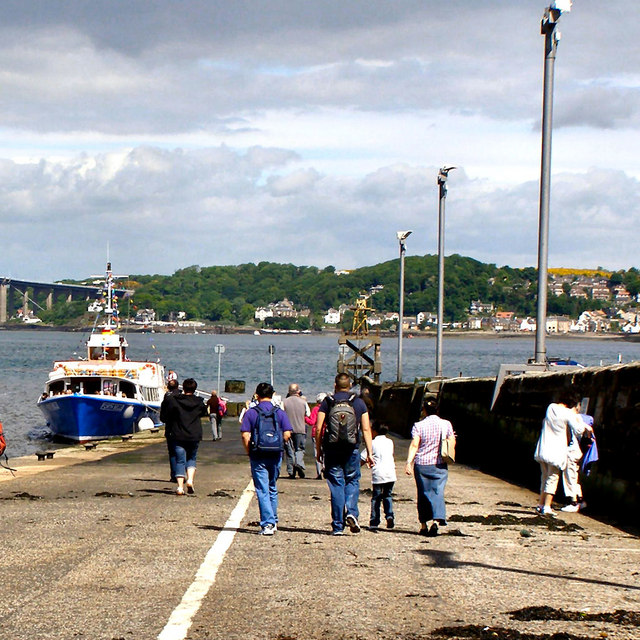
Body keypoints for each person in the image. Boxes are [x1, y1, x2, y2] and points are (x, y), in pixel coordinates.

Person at [316, 373, 374, 535]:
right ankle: (351, 512)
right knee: (352, 480)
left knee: (336, 485)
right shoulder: (359, 402)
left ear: (335, 385)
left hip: (332, 449)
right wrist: (369, 452)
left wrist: (319, 449)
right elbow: (366, 429)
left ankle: (337, 526)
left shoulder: (328, 402)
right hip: (352, 448)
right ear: (349, 386)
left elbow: (319, 428)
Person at [240, 382, 293, 535]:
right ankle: (274, 520)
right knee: (272, 487)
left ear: (257, 395)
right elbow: (288, 433)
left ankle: (268, 524)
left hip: (258, 454)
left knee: (262, 489)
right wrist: (278, 444)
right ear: (273, 395)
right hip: (276, 454)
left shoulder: (251, 412)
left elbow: (245, 434)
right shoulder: (279, 412)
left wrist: (249, 451)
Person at [534, 393, 593, 515]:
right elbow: (578, 430)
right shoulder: (568, 413)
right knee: (552, 478)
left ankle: (540, 504)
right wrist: (581, 422)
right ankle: (547, 507)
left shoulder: (550, 407)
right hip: (556, 451)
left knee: (544, 478)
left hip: (543, 447)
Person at [405, 398, 454, 537]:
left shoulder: (418, 426)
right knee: (438, 491)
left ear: (424, 410)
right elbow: (451, 442)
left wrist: (409, 461)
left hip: (422, 464)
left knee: (423, 493)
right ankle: (436, 521)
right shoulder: (446, 424)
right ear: (437, 409)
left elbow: (415, 445)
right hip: (439, 464)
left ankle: (423, 524)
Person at [161, 378, 208, 496]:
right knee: (191, 458)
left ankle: (180, 487)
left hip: (178, 434)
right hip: (194, 434)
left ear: (183, 388)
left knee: (180, 460)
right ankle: (190, 480)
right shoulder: (199, 402)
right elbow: (204, 413)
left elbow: (167, 416)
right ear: (194, 388)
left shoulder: (175, 401)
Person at [361, 424, 396, 530]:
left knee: (376, 498)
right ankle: (389, 516)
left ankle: (374, 521)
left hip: (378, 474)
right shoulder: (390, 442)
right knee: (387, 496)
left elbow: (362, 458)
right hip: (390, 473)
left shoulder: (372, 443)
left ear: (375, 431)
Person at [561, 414, 593, 512]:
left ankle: (573, 502)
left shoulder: (575, 419)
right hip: (577, 451)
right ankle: (580, 500)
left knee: (569, 477)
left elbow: (588, 429)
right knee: (574, 477)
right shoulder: (580, 420)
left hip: (572, 451)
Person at [282, 383, 310, 479]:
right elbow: (308, 414)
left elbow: (281, 415)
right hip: (300, 429)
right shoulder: (303, 402)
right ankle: (298, 463)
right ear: (298, 391)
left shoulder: (284, 402)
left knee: (289, 451)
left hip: (287, 429)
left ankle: (291, 471)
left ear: (289, 391)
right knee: (299, 449)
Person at [160, 377, 181, 483]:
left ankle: (174, 475)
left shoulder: (167, 397)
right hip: (182, 427)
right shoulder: (181, 396)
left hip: (170, 428)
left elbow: (162, 415)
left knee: (172, 453)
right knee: (183, 451)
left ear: (168, 387)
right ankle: (182, 473)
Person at [306, 392, 326, 480]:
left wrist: (304, 418)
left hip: (316, 433)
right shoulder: (328, 409)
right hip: (326, 433)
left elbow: (312, 422)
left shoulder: (316, 409)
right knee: (326, 452)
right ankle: (326, 469)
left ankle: (319, 473)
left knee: (317, 452)